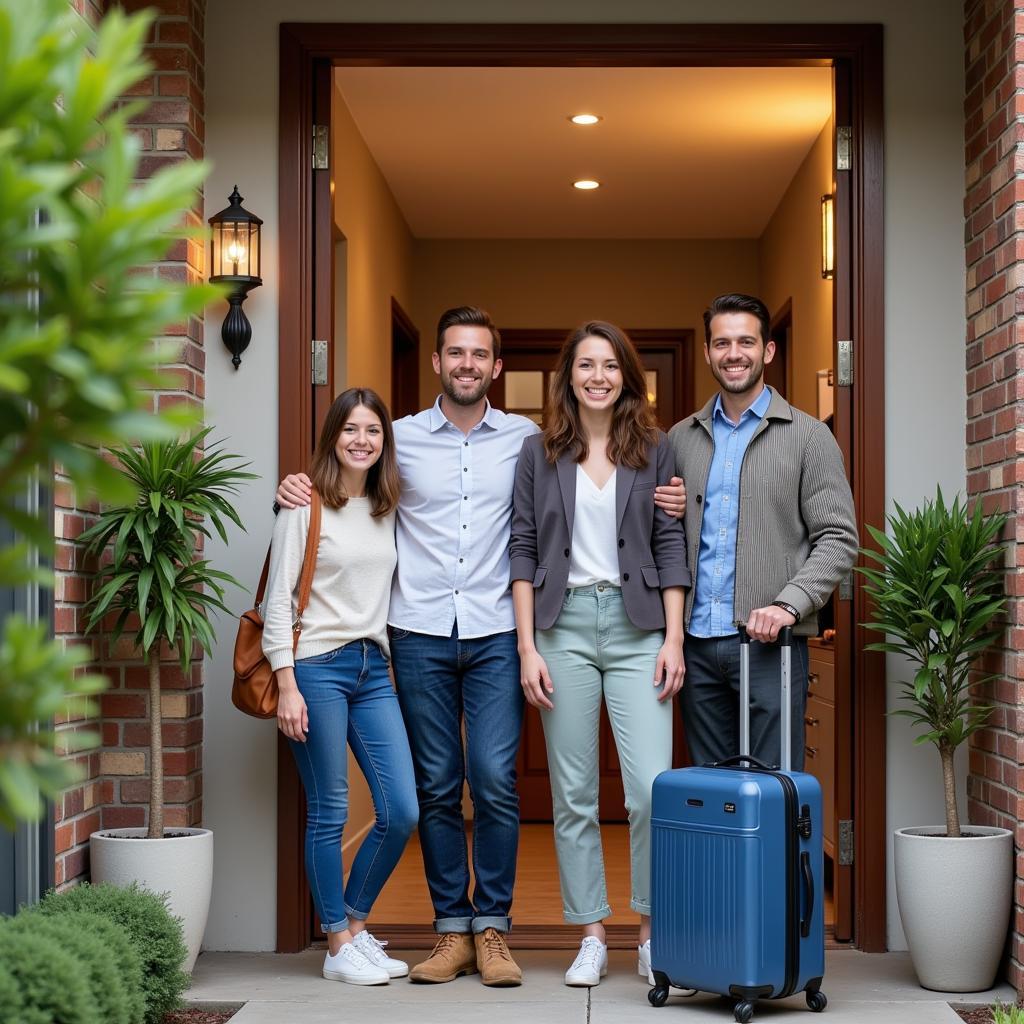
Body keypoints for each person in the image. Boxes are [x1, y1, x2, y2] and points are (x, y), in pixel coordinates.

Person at [275, 306, 687, 986]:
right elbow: (343, 477)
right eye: (454, 354)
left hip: (499, 630)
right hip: (417, 632)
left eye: (479, 355)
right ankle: (451, 931)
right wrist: (294, 489)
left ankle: (494, 928)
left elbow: (547, 536)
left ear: (497, 367)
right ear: (437, 362)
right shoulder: (399, 439)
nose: (466, 365)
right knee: (437, 788)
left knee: (497, 782)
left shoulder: (527, 440)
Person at [509, 320, 689, 989]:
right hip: (561, 629)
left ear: (626, 376)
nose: (598, 377)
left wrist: (673, 636)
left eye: (610, 366)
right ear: (569, 376)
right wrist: (528, 646)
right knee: (575, 793)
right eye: (586, 365)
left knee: (648, 792)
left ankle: (648, 932)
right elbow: (522, 548)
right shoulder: (539, 452)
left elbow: (671, 546)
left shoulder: (655, 448)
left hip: (637, 626)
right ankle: (590, 932)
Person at [263, 387, 418, 986]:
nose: (362, 440)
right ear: (333, 437)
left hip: (373, 669)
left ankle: (353, 926)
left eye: (373, 431)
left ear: (385, 441)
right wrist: (287, 683)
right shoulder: (304, 504)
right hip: (315, 669)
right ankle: (335, 945)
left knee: (400, 808)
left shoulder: (386, 507)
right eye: (351, 429)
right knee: (330, 809)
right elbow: (277, 599)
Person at [668, 292, 858, 771]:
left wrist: (788, 604)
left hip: (770, 646)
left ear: (767, 351)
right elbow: (664, 535)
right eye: (722, 343)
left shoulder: (809, 436)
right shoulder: (679, 438)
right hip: (695, 643)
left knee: (773, 788)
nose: (734, 354)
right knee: (712, 794)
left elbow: (838, 538)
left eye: (746, 342)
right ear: (709, 352)